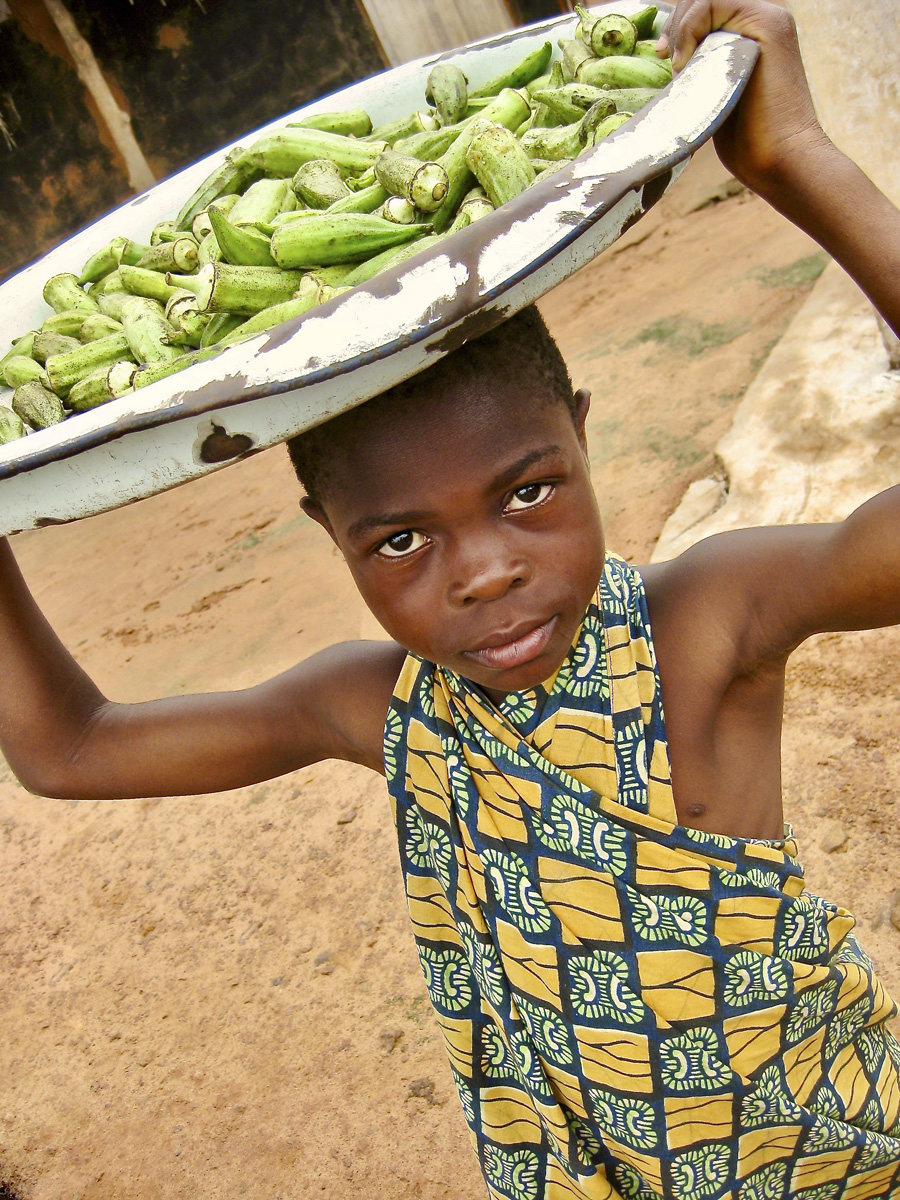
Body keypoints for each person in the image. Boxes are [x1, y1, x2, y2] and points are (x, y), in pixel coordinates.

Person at [2, 1, 900, 1197]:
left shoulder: (708, 622)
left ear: (582, 439)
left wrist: (805, 161)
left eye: (528, 491)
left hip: (834, 1160)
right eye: (402, 539)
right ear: (329, 536)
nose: (481, 569)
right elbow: (69, 750)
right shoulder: (382, 711)